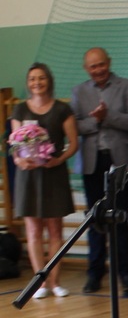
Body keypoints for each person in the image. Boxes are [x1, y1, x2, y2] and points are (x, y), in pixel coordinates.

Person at [71, 47, 128, 296]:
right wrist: (95, 120)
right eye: (93, 66)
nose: (98, 70)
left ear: (109, 62)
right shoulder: (79, 91)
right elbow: (75, 127)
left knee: (120, 218)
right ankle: (94, 273)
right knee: (94, 218)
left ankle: (125, 273)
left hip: (121, 161)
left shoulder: (127, 86)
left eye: (101, 64)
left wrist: (107, 116)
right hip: (92, 162)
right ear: (86, 69)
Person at [8, 63, 78, 298]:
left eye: (41, 78)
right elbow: (15, 146)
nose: (37, 82)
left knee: (55, 230)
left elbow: (73, 144)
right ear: (28, 83)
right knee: (33, 230)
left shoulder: (62, 109)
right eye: (32, 79)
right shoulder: (19, 110)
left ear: (49, 80)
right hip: (28, 177)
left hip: (53, 174)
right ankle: (40, 283)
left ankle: (55, 282)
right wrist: (19, 160)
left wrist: (59, 160)